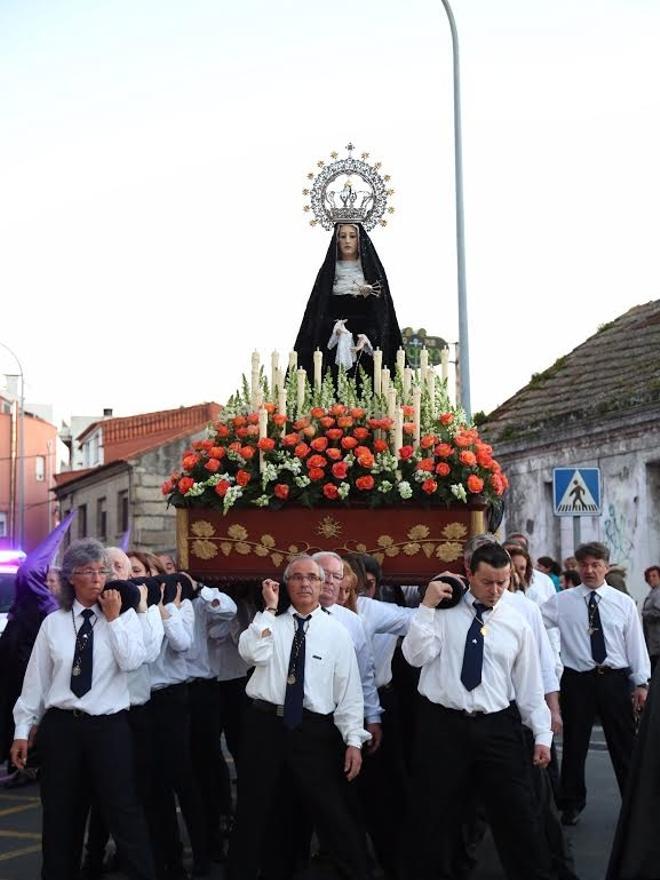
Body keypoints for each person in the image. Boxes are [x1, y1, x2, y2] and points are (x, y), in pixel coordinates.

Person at [402, 541, 553, 880]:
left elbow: (528, 685)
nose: (496, 590)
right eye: (488, 582)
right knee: (432, 814)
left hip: (496, 726)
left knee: (518, 813)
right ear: (469, 573)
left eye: (503, 582)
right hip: (443, 726)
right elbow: (414, 656)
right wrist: (426, 607)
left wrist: (542, 733)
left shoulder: (517, 622)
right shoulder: (442, 611)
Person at [11, 538, 155, 880]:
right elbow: (36, 683)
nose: (97, 578)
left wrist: (115, 619)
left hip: (109, 727)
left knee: (123, 811)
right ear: (70, 578)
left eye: (101, 570)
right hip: (63, 728)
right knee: (61, 816)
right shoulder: (54, 623)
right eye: (87, 571)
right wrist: (21, 730)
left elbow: (134, 661)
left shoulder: (124, 616)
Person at [227, 555, 370, 880]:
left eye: (312, 578)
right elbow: (251, 652)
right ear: (285, 583)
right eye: (297, 577)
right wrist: (268, 608)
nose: (305, 584)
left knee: (333, 813)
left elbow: (348, 691)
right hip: (266, 727)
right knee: (254, 812)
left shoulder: (336, 631)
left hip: (314, 731)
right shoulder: (269, 622)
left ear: (323, 585)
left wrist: (353, 740)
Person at [540, 541, 650, 826]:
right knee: (575, 745)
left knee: (624, 744)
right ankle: (571, 803)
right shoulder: (561, 601)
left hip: (614, 678)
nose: (589, 570)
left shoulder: (622, 603)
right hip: (578, 680)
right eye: (584, 565)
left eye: (596, 565)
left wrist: (641, 683)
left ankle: (634, 805)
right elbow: (533, 626)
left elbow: (635, 644)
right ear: (576, 566)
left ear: (606, 566)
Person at [293, 223, 402, 378]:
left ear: (360, 239)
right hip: (335, 341)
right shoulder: (328, 274)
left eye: (352, 236)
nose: (347, 240)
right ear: (336, 240)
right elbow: (317, 314)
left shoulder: (372, 272)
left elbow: (382, 314)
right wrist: (334, 327)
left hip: (365, 346)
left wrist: (369, 336)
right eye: (342, 236)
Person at [642, 565, 660, 673]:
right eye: (649, 576)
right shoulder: (653, 592)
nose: (651, 578)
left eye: (654, 576)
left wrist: (645, 613)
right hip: (653, 637)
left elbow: (658, 611)